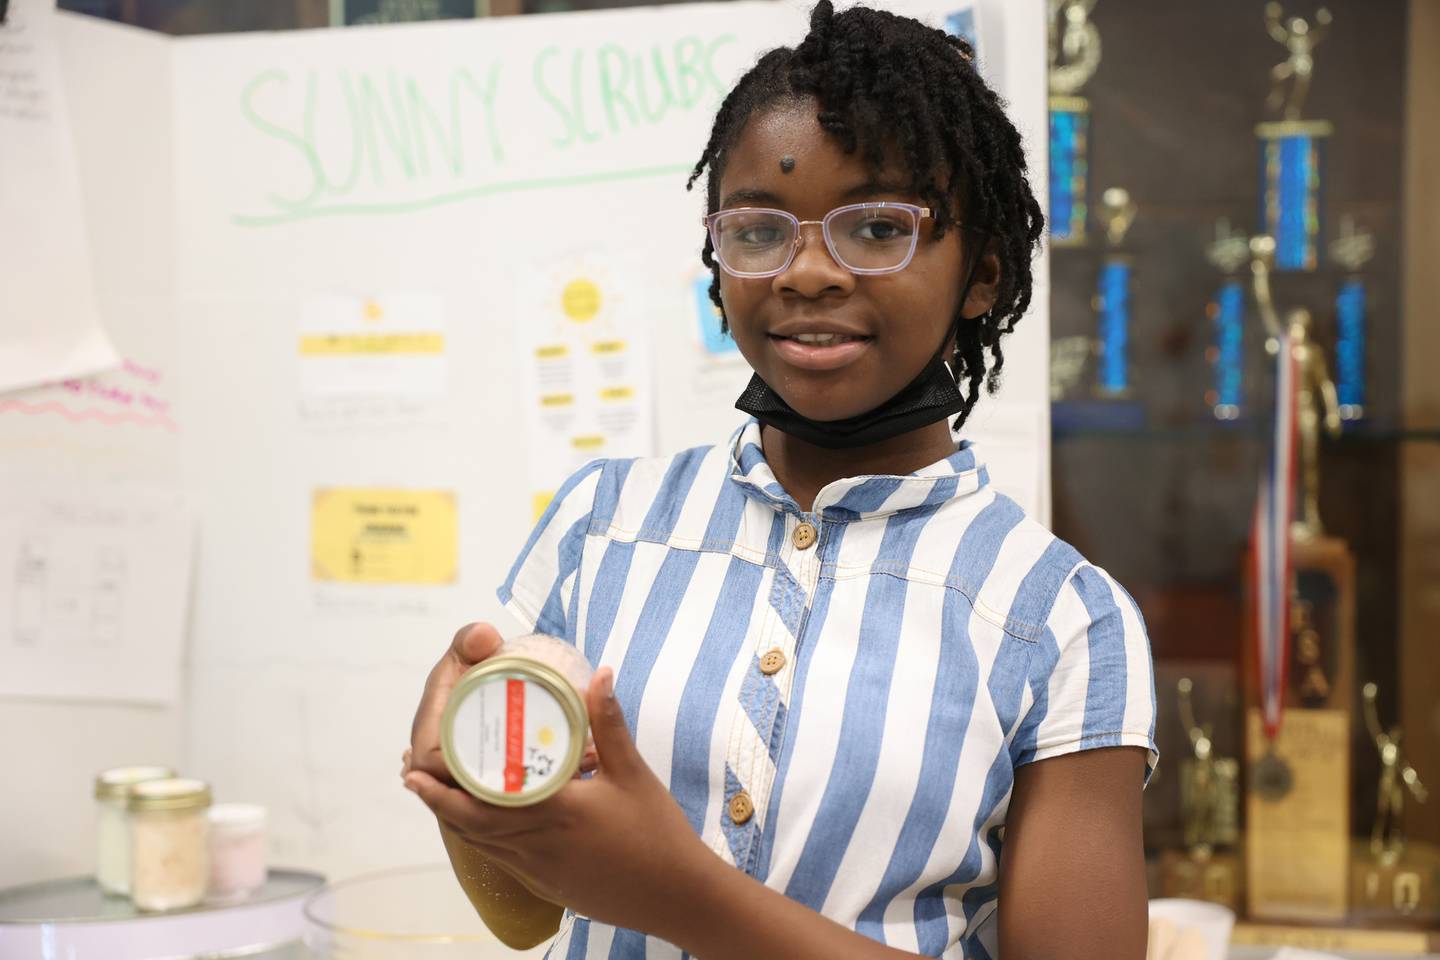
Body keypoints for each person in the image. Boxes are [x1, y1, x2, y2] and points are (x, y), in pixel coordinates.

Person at [402, 4, 1158, 957]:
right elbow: (523, 916)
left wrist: (681, 896)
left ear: (983, 273)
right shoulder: (602, 525)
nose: (806, 273)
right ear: (719, 266)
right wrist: (464, 781)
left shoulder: (1060, 620)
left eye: (878, 227)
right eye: (759, 231)